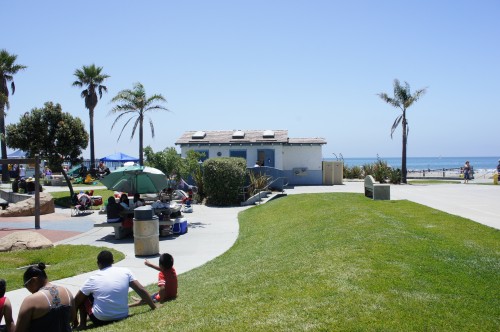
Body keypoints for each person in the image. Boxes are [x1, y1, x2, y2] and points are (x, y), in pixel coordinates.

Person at [73, 250, 155, 329]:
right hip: (122, 315)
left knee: (83, 296)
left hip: (100, 320)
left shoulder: (92, 279)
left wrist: (75, 321)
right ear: (113, 261)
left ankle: (82, 325)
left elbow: (76, 301)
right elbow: (141, 290)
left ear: (98, 264)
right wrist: (154, 307)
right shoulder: (126, 272)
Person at [16, 263, 75, 332]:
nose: (27, 288)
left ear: (34, 280)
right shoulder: (66, 291)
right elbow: (72, 318)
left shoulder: (31, 300)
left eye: (26, 285)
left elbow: (19, 330)